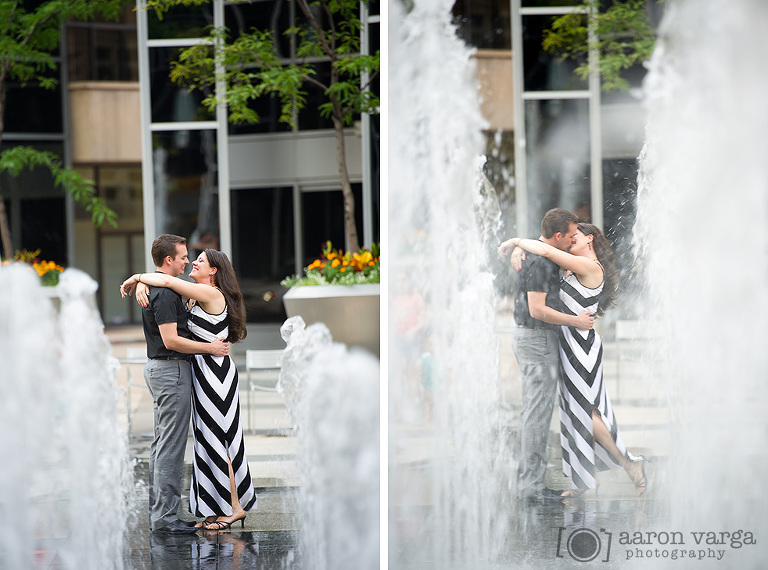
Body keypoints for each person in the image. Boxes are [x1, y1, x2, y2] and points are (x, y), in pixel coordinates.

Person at [500, 222, 647, 498]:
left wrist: (518, 241)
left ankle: (630, 464)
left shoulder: (589, 266)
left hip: (581, 346)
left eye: (574, 237)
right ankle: (585, 478)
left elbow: (547, 250)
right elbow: (546, 252)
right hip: (568, 343)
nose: (569, 242)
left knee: (587, 412)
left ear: (588, 239)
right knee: (574, 411)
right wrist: (521, 247)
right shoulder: (575, 264)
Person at [121, 247, 257, 531]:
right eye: (191, 258)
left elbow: (168, 281)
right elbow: (165, 286)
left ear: (214, 271)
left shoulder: (212, 294)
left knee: (220, 438)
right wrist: (144, 283)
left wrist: (136, 277)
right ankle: (215, 509)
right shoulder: (195, 295)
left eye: (200, 261)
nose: (193, 262)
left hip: (216, 376)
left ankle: (234, 508)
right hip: (203, 373)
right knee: (207, 440)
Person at [497, 208, 595, 501]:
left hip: (536, 339)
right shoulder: (540, 262)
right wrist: (577, 321)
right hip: (537, 339)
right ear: (557, 236)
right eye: (570, 236)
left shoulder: (536, 256)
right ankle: (531, 489)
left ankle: (532, 485)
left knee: (535, 413)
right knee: (536, 416)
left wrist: (517, 243)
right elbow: (537, 310)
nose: (572, 241)